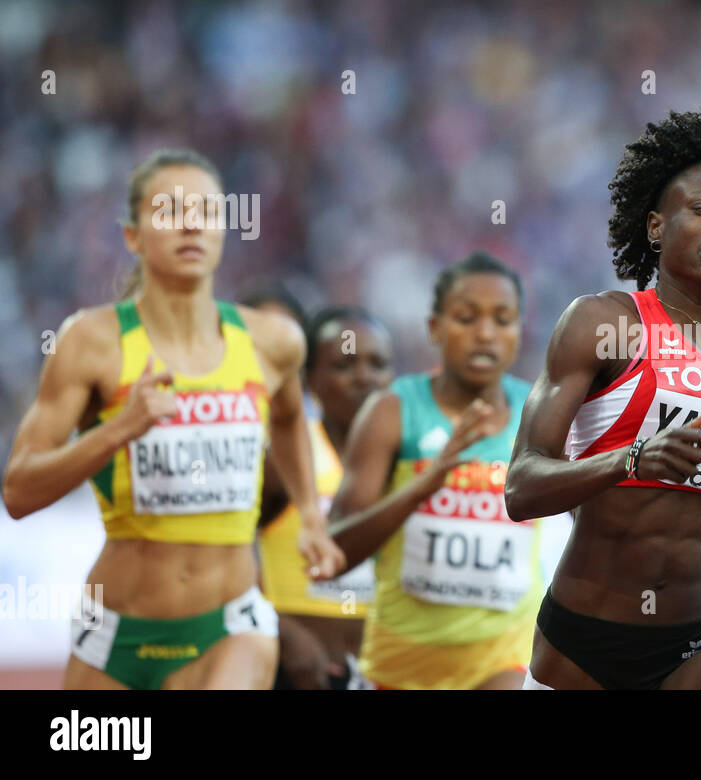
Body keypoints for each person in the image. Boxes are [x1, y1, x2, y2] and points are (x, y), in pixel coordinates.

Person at [1, 148, 344, 689]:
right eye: (169, 211)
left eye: (207, 212)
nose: (191, 224)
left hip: (230, 628)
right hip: (114, 634)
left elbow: (288, 419)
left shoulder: (274, 343)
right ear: (132, 236)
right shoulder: (90, 343)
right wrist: (120, 427)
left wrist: (310, 517)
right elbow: (18, 492)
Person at [504, 106, 701, 690]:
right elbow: (522, 487)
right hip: (583, 640)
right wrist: (629, 461)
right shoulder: (602, 324)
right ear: (655, 227)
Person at [329, 251, 544, 690]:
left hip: (504, 659)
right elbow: (335, 553)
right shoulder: (392, 410)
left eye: (503, 320)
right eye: (466, 318)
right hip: (396, 667)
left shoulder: (538, 413)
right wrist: (427, 482)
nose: (485, 333)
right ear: (434, 327)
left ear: (519, 332)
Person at [255, 305, 394, 690]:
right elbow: (222, 555)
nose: (364, 377)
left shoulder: (411, 460)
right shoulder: (282, 460)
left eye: (377, 363)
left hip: (390, 673)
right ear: (309, 378)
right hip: (298, 674)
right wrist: (283, 634)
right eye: (344, 365)